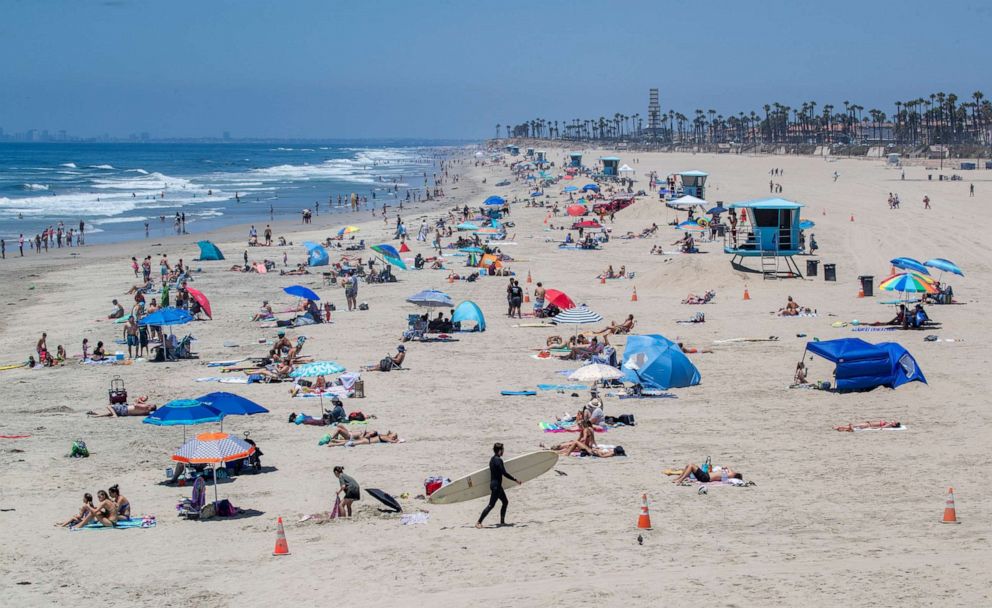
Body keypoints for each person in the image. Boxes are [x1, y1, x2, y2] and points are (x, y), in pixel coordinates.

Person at [476, 443, 521, 528]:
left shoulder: (492, 459)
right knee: (491, 505)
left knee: (505, 502)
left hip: (496, 485)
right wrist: (515, 480)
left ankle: (502, 521)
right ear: (500, 450)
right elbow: (504, 473)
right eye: (503, 450)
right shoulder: (498, 460)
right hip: (496, 486)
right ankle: (478, 522)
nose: (503, 451)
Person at [672, 462, 742, 484]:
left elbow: (731, 471)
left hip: (705, 477)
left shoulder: (731, 475)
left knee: (691, 466)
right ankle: (678, 478)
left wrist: (727, 467)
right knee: (689, 465)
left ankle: (680, 480)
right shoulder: (726, 475)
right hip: (705, 476)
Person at [87, 399, 158, 417]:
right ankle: (95, 414)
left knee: (109, 406)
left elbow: (135, 405)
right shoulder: (147, 412)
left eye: (151, 404)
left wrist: (135, 402)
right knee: (108, 413)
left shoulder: (145, 407)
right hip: (126, 413)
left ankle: (115, 415)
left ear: (151, 406)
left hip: (125, 409)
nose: (150, 403)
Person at [834, 420, 903, 432]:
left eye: (895, 422)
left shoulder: (889, 424)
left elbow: (881, 427)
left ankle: (839, 427)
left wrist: (872, 427)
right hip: (868, 424)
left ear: (894, 424)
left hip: (868, 425)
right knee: (851, 426)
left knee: (852, 425)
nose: (893, 421)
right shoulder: (888, 423)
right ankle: (839, 428)